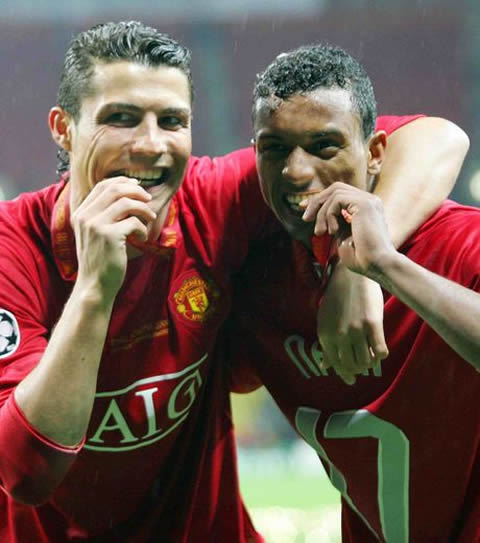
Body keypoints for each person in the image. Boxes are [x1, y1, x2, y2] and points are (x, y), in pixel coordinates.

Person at [0, 20, 469, 542]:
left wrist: (355, 265)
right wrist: (93, 292)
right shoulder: (11, 251)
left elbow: (436, 138)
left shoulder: (216, 200)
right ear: (63, 128)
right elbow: (27, 472)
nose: (152, 144)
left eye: (172, 120)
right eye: (122, 119)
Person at [228, 44, 479, 542]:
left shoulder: (456, 243)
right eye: (274, 148)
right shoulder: (259, 284)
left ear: (375, 153)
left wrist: (382, 266)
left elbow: (443, 136)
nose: (297, 172)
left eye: (324, 147)